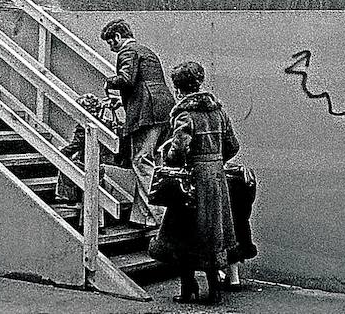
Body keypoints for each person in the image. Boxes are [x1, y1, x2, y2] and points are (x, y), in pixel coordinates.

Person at [148, 61, 240, 305]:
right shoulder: (218, 112)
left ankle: (188, 287)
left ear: (178, 87)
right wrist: (214, 162)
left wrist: (171, 156)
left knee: (181, 234)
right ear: (199, 82)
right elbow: (233, 146)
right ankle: (214, 289)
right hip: (216, 180)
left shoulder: (185, 114)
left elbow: (178, 150)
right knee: (212, 234)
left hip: (192, 181)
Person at [101, 18, 175, 227]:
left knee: (141, 161)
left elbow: (126, 79)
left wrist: (109, 82)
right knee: (154, 162)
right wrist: (121, 101)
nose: (111, 48)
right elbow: (145, 83)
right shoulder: (146, 50)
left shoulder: (127, 51)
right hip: (164, 111)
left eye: (111, 42)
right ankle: (141, 217)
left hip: (146, 114)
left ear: (117, 37)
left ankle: (158, 217)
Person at [54, 92, 120, 205]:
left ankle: (67, 197)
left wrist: (60, 152)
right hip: (101, 164)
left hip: (88, 165)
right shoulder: (105, 123)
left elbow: (76, 145)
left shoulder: (84, 126)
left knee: (65, 165)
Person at [221, 161, 257, 289]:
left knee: (223, 241)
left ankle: (228, 277)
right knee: (236, 231)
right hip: (241, 218)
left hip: (228, 220)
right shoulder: (242, 175)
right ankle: (233, 278)